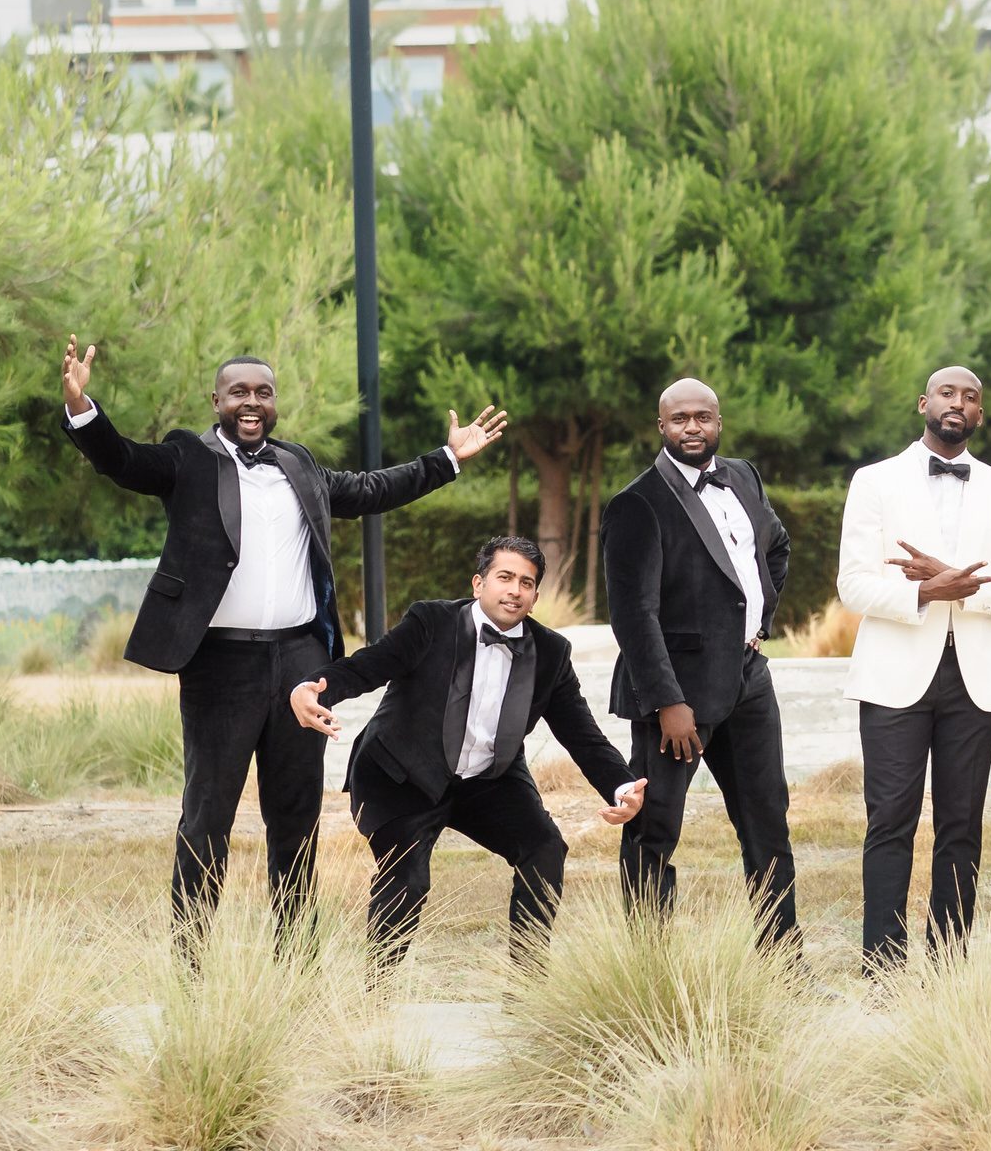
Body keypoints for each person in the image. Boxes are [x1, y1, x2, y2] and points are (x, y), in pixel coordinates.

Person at [57, 336, 504, 949]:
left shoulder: (299, 464)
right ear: (216, 400)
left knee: (295, 813)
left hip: (301, 660)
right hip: (219, 661)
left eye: (262, 393)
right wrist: (83, 408)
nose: (251, 402)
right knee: (207, 812)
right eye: (238, 391)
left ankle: (295, 956)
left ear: (274, 404)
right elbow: (123, 461)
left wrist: (446, 460)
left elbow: (373, 489)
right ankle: (192, 957)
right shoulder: (187, 458)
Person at [288, 536, 644, 971]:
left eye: (526, 583)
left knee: (545, 847)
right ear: (479, 584)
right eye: (505, 577)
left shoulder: (551, 653)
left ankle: (526, 986)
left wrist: (621, 785)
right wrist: (313, 687)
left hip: (488, 780)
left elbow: (583, 735)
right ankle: (376, 993)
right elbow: (368, 665)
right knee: (407, 877)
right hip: (401, 773)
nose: (514, 589)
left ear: (535, 596)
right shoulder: (430, 621)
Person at [836, 365, 991, 974]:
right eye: (948, 393)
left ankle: (950, 964)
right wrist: (925, 595)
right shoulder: (873, 482)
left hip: (974, 680)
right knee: (890, 822)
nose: (959, 403)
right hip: (893, 675)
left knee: (961, 827)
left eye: (971, 397)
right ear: (924, 402)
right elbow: (853, 583)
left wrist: (954, 587)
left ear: (980, 414)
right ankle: (883, 968)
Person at [599, 379, 798, 941]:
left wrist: (756, 620)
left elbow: (775, 546)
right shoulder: (636, 503)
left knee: (768, 823)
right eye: (680, 419)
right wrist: (668, 702)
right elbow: (633, 616)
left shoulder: (742, 475)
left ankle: (783, 961)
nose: (694, 428)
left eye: (703, 417)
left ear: (718, 421)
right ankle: (651, 961)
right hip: (676, 693)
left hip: (748, 678)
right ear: (661, 427)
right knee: (654, 828)